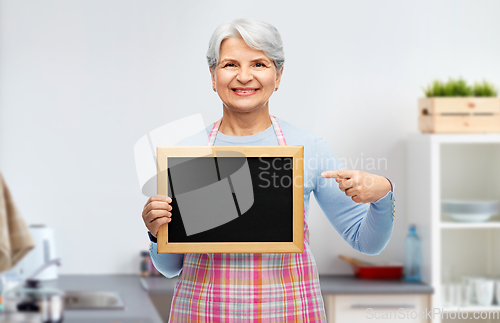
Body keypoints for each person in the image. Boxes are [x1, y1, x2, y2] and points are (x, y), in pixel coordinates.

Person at [142, 18, 395, 322]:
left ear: (278, 75)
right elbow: (171, 268)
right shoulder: (189, 152)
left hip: (289, 312)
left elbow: (367, 243)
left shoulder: (308, 147)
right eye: (230, 64)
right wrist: (157, 233)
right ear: (213, 76)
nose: (244, 76)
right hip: (203, 312)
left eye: (259, 64)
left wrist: (383, 196)